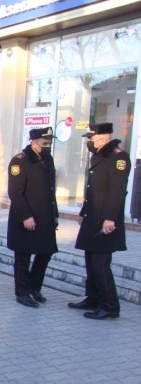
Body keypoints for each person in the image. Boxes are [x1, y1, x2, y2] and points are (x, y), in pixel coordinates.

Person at [68, 122, 131, 319]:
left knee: (100, 264)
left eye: (91, 138)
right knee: (90, 260)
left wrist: (110, 218)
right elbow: (92, 189)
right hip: (93, 217)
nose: (88, 141)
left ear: (103, 137)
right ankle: (93, 298)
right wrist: (84, 211)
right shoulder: (99, 155)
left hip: (105, 221)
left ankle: (110, 306)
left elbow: (117, 191)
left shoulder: (118, 157)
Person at [7, 127, 59, 308]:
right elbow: (15, 192)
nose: (48, 147)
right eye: (45, 143)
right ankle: (22, 292)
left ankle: (34, 287)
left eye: (50, 143)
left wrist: (55, 214)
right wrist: (26, 216)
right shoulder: (20, 161)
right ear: (33, 142)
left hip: (45, 218)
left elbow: (51, 190)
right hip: (26, 218)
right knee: (23, 257)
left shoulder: (47, 160)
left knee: (45, 253)